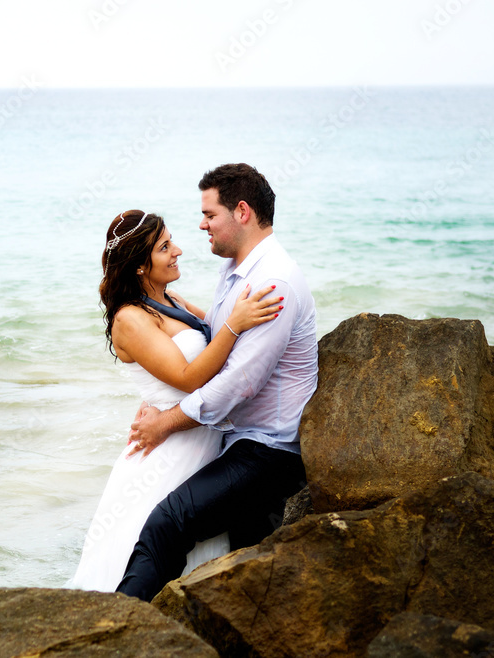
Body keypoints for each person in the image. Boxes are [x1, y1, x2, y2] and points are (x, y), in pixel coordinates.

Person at [115, 163, 318, 602]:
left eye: (209, 215)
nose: (201, 224)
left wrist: (165, 422)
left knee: (166, 525)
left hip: (268, 450)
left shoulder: (272, 283)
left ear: (241, 212)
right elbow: (214, 339)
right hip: (236, 440)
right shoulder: (236, 270)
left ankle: (119, 627)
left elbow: (238, 383)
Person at [67, 208, 283, 592]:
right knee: (151, 553)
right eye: (165, 247)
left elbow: (215, 335)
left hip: (200, 438)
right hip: (168, 452)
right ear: (139, 266)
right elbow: (188, 377)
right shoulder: (130, 319)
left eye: (172, 241)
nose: (178, 250)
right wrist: (237, 322)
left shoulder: (173, 300)